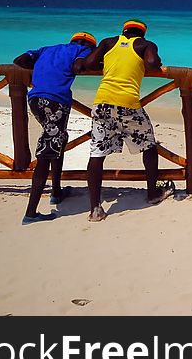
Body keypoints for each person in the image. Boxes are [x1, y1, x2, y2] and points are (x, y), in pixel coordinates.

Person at [81, 19, 173, 221]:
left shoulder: (108, 42)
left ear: (123, 30)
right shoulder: (145, 45)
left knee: (97, 153)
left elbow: (88, 63)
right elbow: (151, 63)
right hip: (127, 105)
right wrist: (154, 62)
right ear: (143, 33)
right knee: (149, 145)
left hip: (102, 103)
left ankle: (95, 209)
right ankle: (152, 193)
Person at [13, 31, 97, 225]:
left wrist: (41, 72)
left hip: (35, 99)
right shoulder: (82, 50)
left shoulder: (46, 49)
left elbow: (19, 60)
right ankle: (31, 212)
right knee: (46, 152)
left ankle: (56, 191)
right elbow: (78, 66)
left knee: (57, 142)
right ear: (88, 45)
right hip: (55, 101)